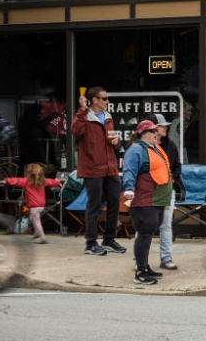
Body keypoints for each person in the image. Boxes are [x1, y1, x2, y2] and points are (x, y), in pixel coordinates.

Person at [71, 87, 125, 256]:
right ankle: (91, 243)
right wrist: (81, 110)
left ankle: (109, 240)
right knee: (94, 204)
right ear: (94, 100)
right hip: (92, 167)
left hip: (110, 166)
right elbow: (75, 131)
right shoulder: (84, 116)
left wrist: (116, 141)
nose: (107, 101)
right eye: (104, 98)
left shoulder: (108, 116)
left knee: (115, 200)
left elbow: (113, 140)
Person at [122, 120, 173, 285]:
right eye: (152, 131)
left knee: (149, 232)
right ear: (143, 133)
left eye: (156, 131)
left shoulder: (153, 148)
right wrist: (129, 189)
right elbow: (129, 170)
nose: (156, 133)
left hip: (156, 199)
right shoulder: (136, 149)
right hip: (144, 200)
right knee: (144, 233)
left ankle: (144, 266)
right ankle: (140, 272)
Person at [148, 113, 181, 270]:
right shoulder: (144, 146)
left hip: (167, 190)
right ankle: (139, 260)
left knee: (166, 225)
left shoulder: (171, 145)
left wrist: (172, 179)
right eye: (162, 125)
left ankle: (166, 259)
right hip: (149, 191)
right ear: (153, 128)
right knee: (146, 225)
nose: (165, 127)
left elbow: (177, 165)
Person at [1, 163, 61, 244]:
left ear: (28, 173)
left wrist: (6, 181)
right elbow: (51, 182)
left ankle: (42, 237)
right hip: (41, 206)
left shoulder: (26, 181)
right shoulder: (42, 181)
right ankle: (37, 233)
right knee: (32, 218)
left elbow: (17, 181)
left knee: (36, 221)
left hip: (34, 207)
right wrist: (58, 182)